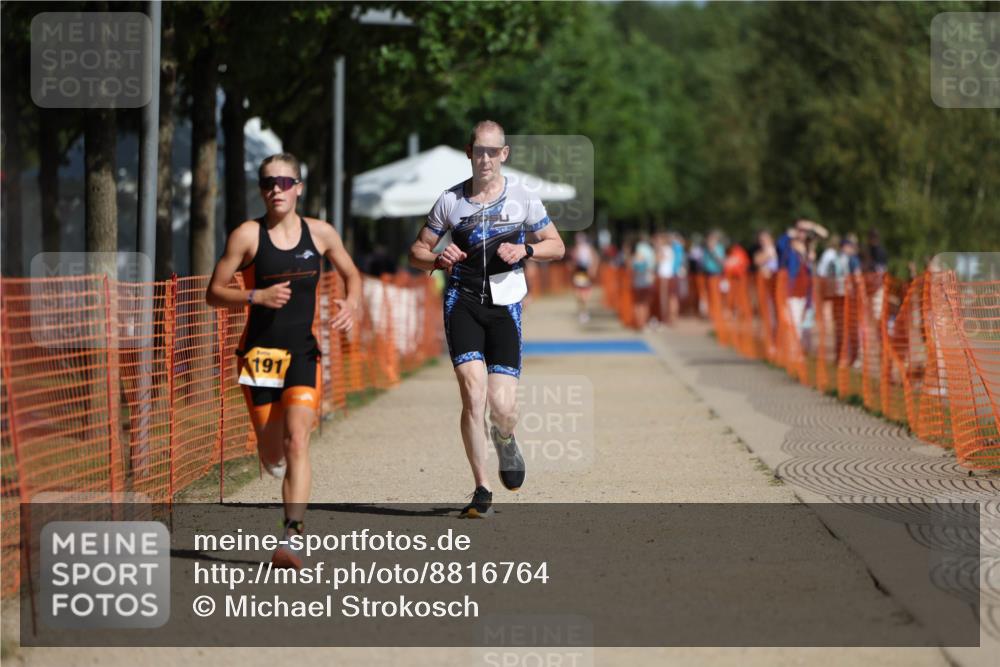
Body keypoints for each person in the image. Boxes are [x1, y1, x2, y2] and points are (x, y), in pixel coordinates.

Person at [206, 153, 362, 568]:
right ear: (261, 189)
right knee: (272, 451)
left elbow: (352, 273)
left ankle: (292, 533)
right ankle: (271, 458)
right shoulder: (247, 236)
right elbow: (213, 292)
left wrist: (353, 302)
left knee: (298, 439)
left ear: (299, 187)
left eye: (285, 182)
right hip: (259, 356)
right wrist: (254, 296)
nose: (276, 189)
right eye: (268, 183)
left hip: (302, 353)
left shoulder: (322, 234)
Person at [408, 120, 565, 518]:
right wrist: (437, 257)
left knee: (502, 405)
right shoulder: (450, 201)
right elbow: (417, 251)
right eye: (480, 151)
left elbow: (557, 246)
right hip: (461, 301)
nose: (486, 159)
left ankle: (505, 435)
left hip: (505, 306)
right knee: (472, 394)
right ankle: (481, 487)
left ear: (504, 154)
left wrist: (526, 250)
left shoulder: (523, 198)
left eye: (493, 152)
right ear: (469, 152)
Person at [570, 232, 599, 324]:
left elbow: (595, 258)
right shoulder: (575, 249)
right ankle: (582, 312)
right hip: (579, 273)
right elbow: (573, 261)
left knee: (585, 296)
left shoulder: (589, 248)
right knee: (579, 295)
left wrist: (593, 269)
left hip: (586, 273)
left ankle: (584, 312)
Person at [630, 234, 656, 329]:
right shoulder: (647, 250)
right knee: (643, 302)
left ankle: (641, 322)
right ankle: (642, 323)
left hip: (642, 280)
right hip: (644, 280)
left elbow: (635, 265)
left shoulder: (641, 250)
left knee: (641, 302)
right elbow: (639, 264)